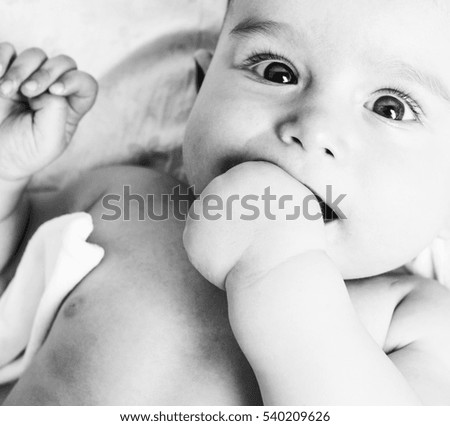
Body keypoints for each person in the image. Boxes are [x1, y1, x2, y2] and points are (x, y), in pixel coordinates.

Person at [1, 0, 450, 405]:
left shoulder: (415, 321)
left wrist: (279, 274)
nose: (313, 127)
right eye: (278, 71)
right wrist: (6, 175)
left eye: (390, 107)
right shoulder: (126, 202)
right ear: (200, 89)